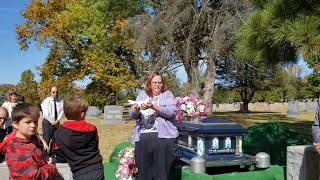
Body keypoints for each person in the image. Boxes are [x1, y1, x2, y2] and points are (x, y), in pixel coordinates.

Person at [129, 72, 178, 180]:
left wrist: (153, 106)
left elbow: (170, 112)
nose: (157, 85)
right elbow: (132, 115)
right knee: (144, 174)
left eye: (160, 82)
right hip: (143, 136)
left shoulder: (167, 94)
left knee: (161, 173)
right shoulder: (142, 95)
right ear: (149, 84)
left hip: (163, 137)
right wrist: (136, 110)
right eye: (154, 82)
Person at [0, 103, 57, 179]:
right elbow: (32, 176)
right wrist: (52, 167)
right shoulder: (16, 149)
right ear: (16, 124)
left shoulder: (32, 137)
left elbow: (38, 154)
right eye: (28, 122)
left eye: (35, 122)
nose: (33, 125)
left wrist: (45, 158)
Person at [54, 96, 104, 180]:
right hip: (96, 168)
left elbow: (60, 154)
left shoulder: (59, 132)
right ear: (82, 114)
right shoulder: (92, 128)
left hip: (78, 171)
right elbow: (96, 144)